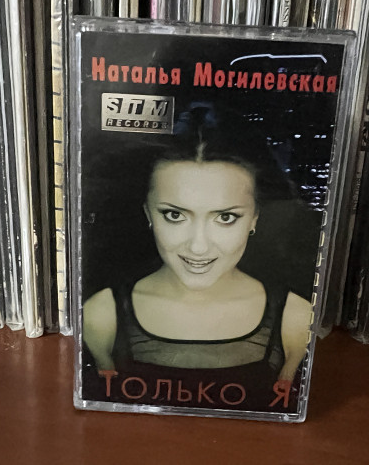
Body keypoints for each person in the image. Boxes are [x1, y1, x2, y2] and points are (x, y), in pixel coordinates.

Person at [82, 106, 313, 402]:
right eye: (174, 215)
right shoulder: (101, 313)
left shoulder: (296, 316)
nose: (198, 247)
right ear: (148, 213)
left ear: (254, 218)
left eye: (226, 217)